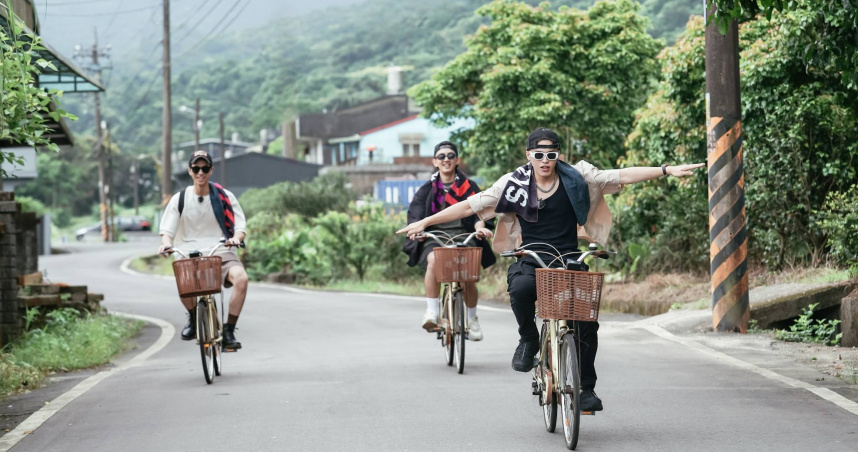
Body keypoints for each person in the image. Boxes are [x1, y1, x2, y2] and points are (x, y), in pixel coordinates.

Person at [398, 128, 704, 411]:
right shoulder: (513, 183)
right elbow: (469, 206)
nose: (546, 161)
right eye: (539, 154)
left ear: (558, 155)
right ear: (529, 155)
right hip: (530, 256)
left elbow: (621, 174)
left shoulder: (578, 176)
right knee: (520, 288)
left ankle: (584, 388)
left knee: (585, 322)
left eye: (552, 154)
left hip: (569, 256)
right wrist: (425, 222)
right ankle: (529, 338)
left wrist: (665, 170)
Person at [402, 141, 496, 341]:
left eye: (450, 156)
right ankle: (432, 312)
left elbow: (479, 214)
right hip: (434, 238)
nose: (446, 160)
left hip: (464, 236)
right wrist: (417, 230)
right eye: (441, 156)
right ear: (435, 162)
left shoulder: (470, 187)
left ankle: (471, 319)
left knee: (467, 273)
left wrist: (481, 229)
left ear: (457, 160)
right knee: (434, 261)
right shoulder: (427, 190)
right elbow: (416, 216)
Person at [158, 150, 249, 350]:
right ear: (190, 171)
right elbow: (167, 231)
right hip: (188, 252)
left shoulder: (225, 196)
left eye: (205, 168)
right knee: (183, 281)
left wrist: (235, 239)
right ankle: (193, 318)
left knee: (241, 279)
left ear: (211, 170)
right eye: (196, 168)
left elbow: (240, 227)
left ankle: (229, 330)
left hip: (221, 249)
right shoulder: (179, 199)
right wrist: (166, 244)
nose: (201, 172)